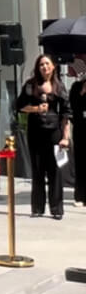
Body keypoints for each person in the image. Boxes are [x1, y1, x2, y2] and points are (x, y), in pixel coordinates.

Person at [15, 54, 72, 219]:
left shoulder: (59, 87)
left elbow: (66, 114)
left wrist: (65, 137)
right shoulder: (30, 85)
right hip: (36, 132)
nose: (44, 67)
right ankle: (38, 208)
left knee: (55, 171)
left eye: (47, 64)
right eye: (41, 65)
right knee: (38, 170)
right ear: (37, 68)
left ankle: (57, 209)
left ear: (53, 66)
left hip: (54, 133)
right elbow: (20, 106)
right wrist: (36, 109)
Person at [70, 61, 86, 208]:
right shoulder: (76, 87)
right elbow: (72, 107)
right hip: (80, 129)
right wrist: (82, 91)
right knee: (80, 162)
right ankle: (80, 195)